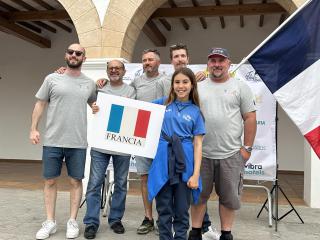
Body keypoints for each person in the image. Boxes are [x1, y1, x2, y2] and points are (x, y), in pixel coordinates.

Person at [29, 43, 96, 240]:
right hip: (53, 140)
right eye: (70, 52)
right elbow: (40, 103)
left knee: (76, 181)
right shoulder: (52, 78)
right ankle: (50, 221)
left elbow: (95, 103)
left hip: (77, 142)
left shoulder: (89, 83)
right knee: (50, 180)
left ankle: (72, 221)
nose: (74, 55)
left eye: (78, 53)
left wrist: (101, 88)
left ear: (84, 58)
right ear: (66, 55)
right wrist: (33, 128)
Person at [189, 48, 257, 240]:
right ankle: (195, 232)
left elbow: (250, 118)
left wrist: (247, 149)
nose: (217, 64)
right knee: (198, 196)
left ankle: (226, 234)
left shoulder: (240, 87)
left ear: (229, 63)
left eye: (221, 60)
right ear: (208, 64)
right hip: (201, 155)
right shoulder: (198, 87)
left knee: (228, 198)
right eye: (213, 61)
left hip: (231, 154)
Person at [148, 67, 205, 240]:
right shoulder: (162, 104)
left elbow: (198, 144)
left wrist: (195, 175)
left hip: (184, 166)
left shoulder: (196, 112)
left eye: (185, 82)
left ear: (192, 85)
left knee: (181, 211)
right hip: (162, 163)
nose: (181, 86)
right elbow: (135, 109)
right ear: (172, 85)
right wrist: (102, 106)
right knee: (164, 209)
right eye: (177, 82)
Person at [83, 60, 136, 239]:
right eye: (111, 68)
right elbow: (90, 102)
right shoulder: (99, 88)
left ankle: (115, 220)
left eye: (117, 68)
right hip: (101, 144)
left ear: (123, 71)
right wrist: (94, 106)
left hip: (122, 145)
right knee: (94, 184)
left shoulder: (131, 91)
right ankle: (91, 222)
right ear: (106, 72)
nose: (114, 70)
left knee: (121, 184)